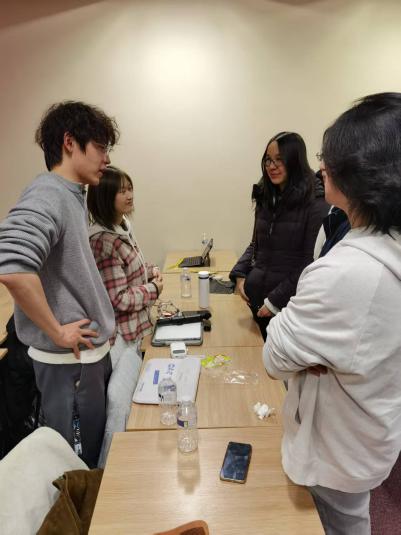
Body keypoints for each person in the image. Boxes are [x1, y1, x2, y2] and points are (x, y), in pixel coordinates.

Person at [263, 92, 401, 534]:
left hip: (338, 449)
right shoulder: (381, 243)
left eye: (329, 159)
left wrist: (301, 341)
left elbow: (275, 355)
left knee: (339, 522)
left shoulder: (348, 272)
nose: (322, 168)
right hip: (369, 430)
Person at [0, 101, 119, 468]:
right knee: (75, 467)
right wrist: (57, 331)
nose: (106, 159)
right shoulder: (49, 192)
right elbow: (11, 265)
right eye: (100, 147)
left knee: (87, 456)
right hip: (70, 363)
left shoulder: (71, 195)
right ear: (70, 142)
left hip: (80, 360)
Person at [87, 166, 163, 467]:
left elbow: (132, 270)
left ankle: (123, 465)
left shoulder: (122, 226)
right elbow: (118, 299)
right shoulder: (104, 241)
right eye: (121, 191)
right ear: (105, 197)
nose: (129, 195)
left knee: (133, 399)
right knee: (119, 403)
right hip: (121, 337)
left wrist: (151, 271)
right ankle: (106, 472)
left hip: (137, 331)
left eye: (130, 188)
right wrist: (153, 289)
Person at [230, 132, 328, 339]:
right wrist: (239, 275)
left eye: (279, 160)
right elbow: (255, 245)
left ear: (295, 161)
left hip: (287, 311)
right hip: (256, 304)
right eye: (268, 160)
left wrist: (274, 301)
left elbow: (309, 263)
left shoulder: (316, 202)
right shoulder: (266, 196)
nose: (271, 166)